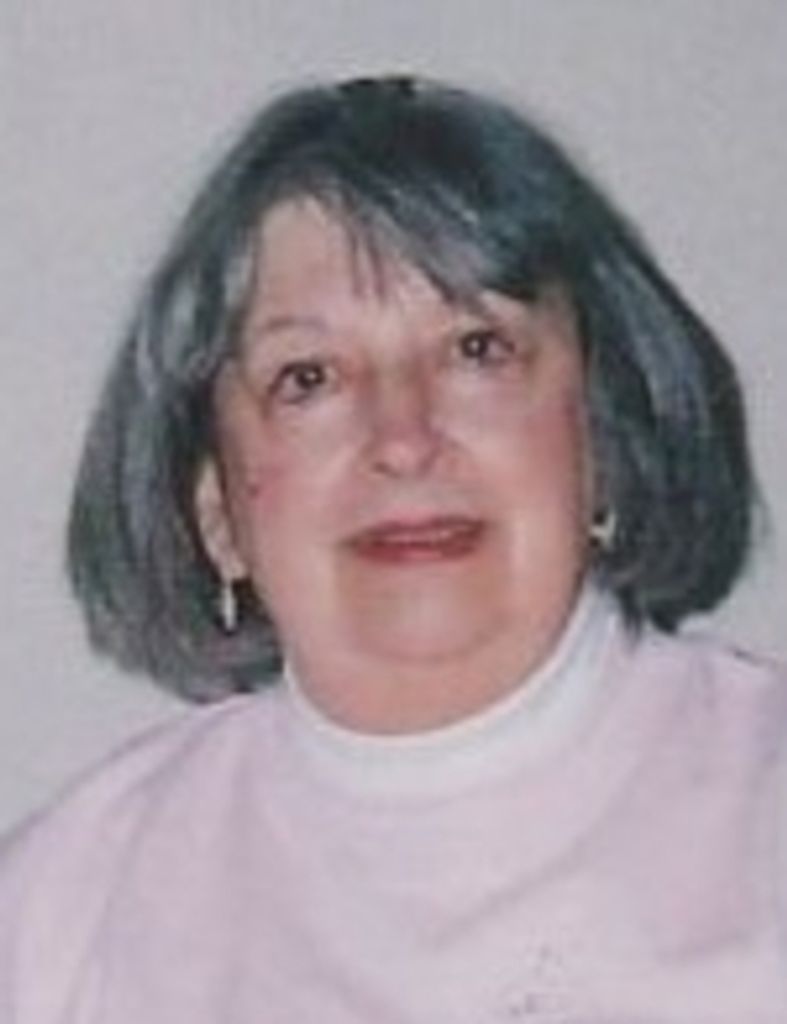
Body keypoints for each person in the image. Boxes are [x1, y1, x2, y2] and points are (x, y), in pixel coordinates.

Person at [0, 74, 785, 1022]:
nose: (403, 438)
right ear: (214, 510)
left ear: (604, 435)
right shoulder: (62, 910)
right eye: (308, 377)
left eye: (475, 349)